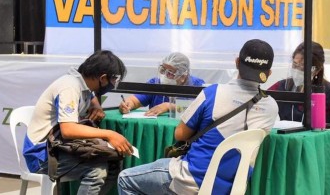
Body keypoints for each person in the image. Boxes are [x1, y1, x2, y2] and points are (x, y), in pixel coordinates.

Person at [117, 39, 279, 195]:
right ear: (269, 73)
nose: (167, 74)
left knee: (125, 179)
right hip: (233, 184)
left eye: (172, 72)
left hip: (192, 177)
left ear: (237, 62)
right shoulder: (271, 106)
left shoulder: (213, 93)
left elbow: (180, 135)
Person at [23, 50, 134, 195]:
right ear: (103, 78)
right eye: (113, 80)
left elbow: (89, 93)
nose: (113, 85)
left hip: (59, 148)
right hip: (41, 155)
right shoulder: (69, 87)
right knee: (96, 170)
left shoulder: (81, 81)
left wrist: (95, 104)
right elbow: (68, 130)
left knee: (113, 163)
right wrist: (109, 134)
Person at [268, 41, 330, 133]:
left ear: (316, 70)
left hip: (320, 145)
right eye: (295, 65)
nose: (297, 70)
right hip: (290, 144)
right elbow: (262, 103)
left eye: (303, 68)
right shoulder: (280, 87)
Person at [119, 52, 205, 116]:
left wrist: (169, 107)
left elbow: (200, 109)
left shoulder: (197, 85)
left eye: (171, 73)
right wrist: (128, 104)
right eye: (163, 70)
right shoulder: (155, 83)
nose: (165, 75)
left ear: (183, 76)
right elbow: (135, 100)